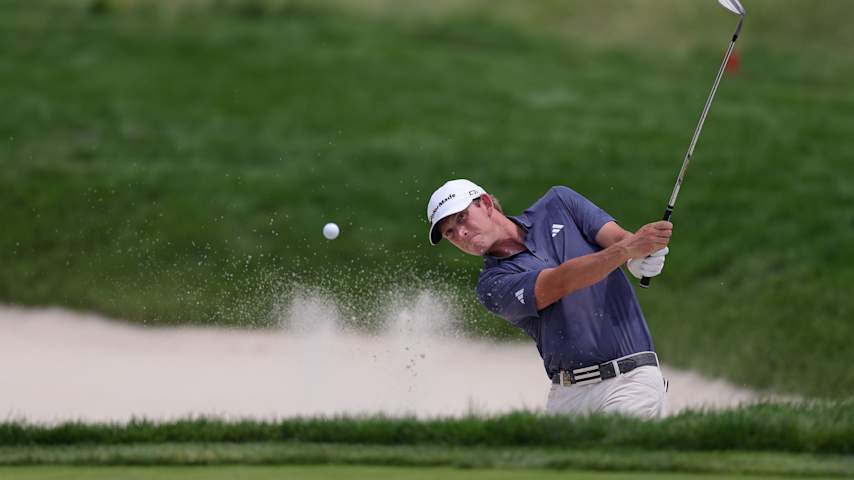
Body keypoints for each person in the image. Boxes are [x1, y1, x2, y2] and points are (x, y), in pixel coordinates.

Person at [426, 179, 672, 418]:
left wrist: (641, 258)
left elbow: (620, 239)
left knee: (616, 453)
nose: (461, 232)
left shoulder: (560, 202)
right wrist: (626, 251)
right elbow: (560, 283)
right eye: (450, 233)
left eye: (461, 217)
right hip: (567, 395)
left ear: (487, 204)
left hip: (630, 380)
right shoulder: (491, 285)